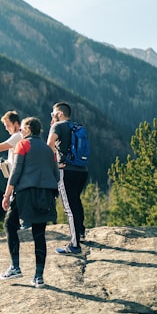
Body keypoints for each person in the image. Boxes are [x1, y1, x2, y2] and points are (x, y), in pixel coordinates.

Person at [0, 117, 59, 288]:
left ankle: (15, 267)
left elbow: (16, 171)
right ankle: (39, 277)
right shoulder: (49, 150)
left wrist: (7, 194)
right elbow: (56, 175)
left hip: (26, 192)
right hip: (46, 194)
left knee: (10, 224)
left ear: (29, 129)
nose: (20, 131)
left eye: (23, 128)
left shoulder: (23, 145)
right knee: (39, 235)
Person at [47, 102, 89, 255]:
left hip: (66, 171)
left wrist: (52, 165)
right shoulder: (75, 126)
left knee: (69, 208)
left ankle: (74, 245)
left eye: (53, 114)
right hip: (82, 171)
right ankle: (81, 233)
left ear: (60, 114)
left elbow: (49, 145)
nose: (51, 117)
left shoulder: (57, 127)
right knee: (76, 202)